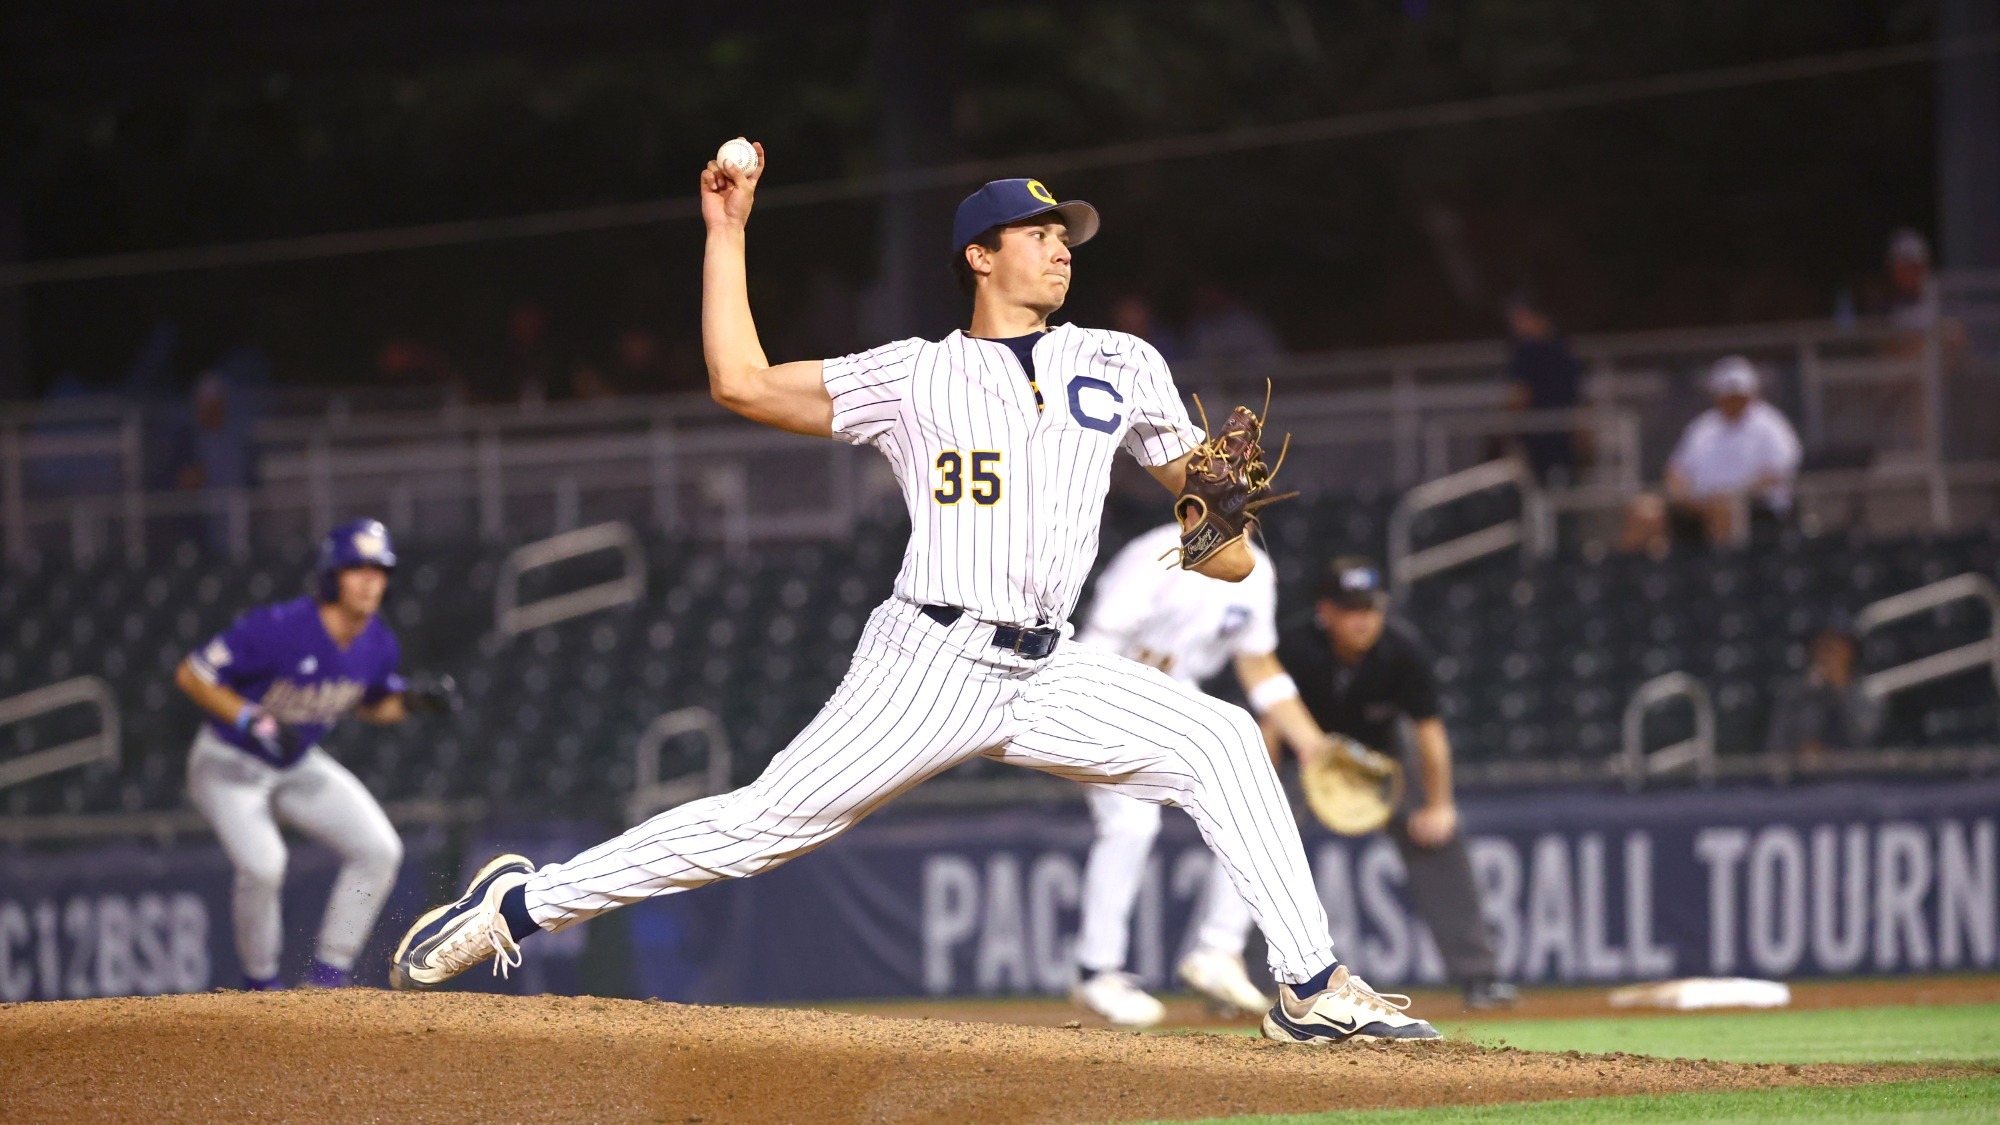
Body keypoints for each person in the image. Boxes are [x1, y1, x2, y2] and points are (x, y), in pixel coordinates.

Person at [390, 146, 1438, 1044]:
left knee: (1223, 741)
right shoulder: (914, 374)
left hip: (1049, 668)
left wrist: (1219, 513)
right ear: (979, 255)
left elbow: (1224, 558)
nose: (1061, 247)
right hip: (930, 659)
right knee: (760, 828)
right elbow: (740, 382)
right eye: (1037, 233)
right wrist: (727, 232)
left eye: (1066, 234)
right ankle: (520, 906)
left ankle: (1308, 986)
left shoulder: (1120, 360)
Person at [1070, 524, 1340, 1027]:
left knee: (1249, 797)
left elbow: (1259, 666)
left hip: (1176, 693)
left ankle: (1218, 950)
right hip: (1105, 686)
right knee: (1131, 824)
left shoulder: (1256, 571)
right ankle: (1096, 971)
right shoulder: (1153, 554)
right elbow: (1096, 643)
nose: (1240, 506)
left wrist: (1311, 743)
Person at [174, 520, 459, 989]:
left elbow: (369, 705)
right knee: (264, 866)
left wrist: (412, 701)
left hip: (294, 763)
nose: (370, 580)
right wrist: (252, 719)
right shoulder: (279, 627)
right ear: (332, 576)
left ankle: (328, 977)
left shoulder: (378, 643)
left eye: (379, 570)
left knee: (379, 849)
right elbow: (192, 674)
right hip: (227, 761)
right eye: (357, 569)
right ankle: (260, 986)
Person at [1276, 557, 1516, 1010]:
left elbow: (1429, 733)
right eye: (1351, 609)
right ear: (1325, 611)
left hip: (1379, 762)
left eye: (1370, 608)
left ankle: (1479, 974)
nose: (1363, 619)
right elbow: (1269, 726)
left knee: (1439, 838)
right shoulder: (1294, 647)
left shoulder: (1401, 648)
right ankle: (1250, 982)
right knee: (1260, 845)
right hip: (1301, 763)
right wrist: (1263, 796)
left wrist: (1439, 805)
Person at [1621, 356, 1801, 556]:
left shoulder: (1771, 425)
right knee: (1644, 510)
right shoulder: (1703, 427)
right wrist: (1683, 495)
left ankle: (1723, 568)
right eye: (1727, 395)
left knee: (1722, 510)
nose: (1733, 401)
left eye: (1738, 395)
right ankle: (1637, 570)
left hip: (1753, 508)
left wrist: (1734, 494)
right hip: (1699, 505)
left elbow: (1778, 473)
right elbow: (1676, 471)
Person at [1765, 618, 1881, 760]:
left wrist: (1840, 688)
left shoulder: (1869, 689)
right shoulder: (1796, 694)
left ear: (1850, 651)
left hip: (1856, 771)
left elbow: (1865, 738)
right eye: (1823, 646)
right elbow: (1776, 745)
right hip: (1802, 772)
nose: (1828, 654)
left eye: (1836, 648)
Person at [1502, 296, 1583, 485]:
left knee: (1539, 482)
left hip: (1539, 429)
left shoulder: (1528, 351)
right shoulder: (1565, 349)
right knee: (1565, 481)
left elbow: (1521, 394)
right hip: (1563, 428)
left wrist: (1506, 426)